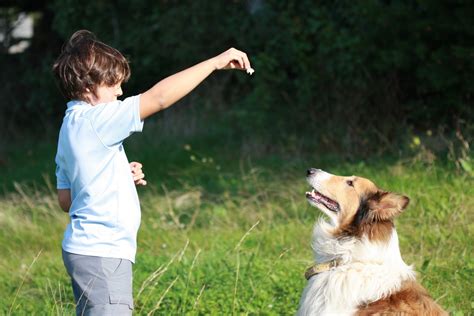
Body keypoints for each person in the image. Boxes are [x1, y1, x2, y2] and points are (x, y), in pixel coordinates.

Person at [52, 29, 252, 315]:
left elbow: (66, 200)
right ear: (88, 86)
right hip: (103, 253)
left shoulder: (70, 126)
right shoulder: (97, 119)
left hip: (84, 250)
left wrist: (118, 177)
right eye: (113, 85)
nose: (120, 92)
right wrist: (213, 63)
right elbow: (158, 98)